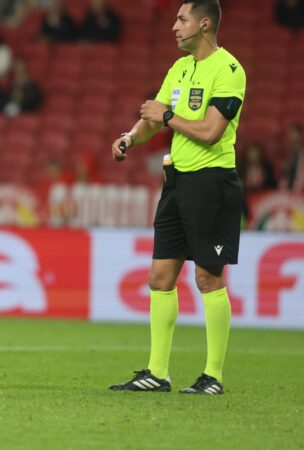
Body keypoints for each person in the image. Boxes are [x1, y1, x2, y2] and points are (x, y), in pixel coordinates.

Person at [109, 0, 245, 395]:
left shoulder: (230, 70)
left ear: (205, 23)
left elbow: (210, 132)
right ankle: (157, 373)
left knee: (207, 277)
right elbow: (153, 116)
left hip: (213, 184)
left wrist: (166, 117)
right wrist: (131, 137)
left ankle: (213, 377)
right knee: (160, 277)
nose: (174, 26)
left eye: (182, 19)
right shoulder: (180, 68)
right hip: (178, 181)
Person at [280, 123, 304, 192]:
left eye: (296, 135)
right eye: (291, 134)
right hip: (289, 187)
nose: (293, 137)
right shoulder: (287, 152)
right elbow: (286, 174)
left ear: (301, 135)